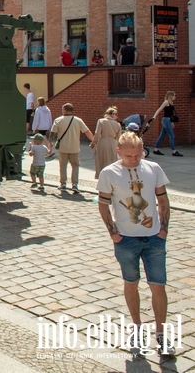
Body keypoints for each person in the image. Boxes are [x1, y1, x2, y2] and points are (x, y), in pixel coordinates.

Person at [96, 132, 175, 357]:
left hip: (153, 238)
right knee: (131, 283)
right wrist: (114, 234)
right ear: (119, 151)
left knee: (158, 285)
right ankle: (137, 328)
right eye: (129, 155)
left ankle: (161, 333)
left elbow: (163, 199)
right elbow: (103, 205)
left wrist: (164, 230)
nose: (134, 159)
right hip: (126, 239)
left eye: (138, 154)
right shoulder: (109, 173)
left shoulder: (154, 168)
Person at [49, 103, 94, 193]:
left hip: (63, 147)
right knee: (75, 166)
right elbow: (87, 131)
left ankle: (63, 184)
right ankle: (74, 184)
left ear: (64, 110)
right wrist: (93, 140)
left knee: (63, 166)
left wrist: (50, 143)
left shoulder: (58, 120)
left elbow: (52, 133)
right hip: (74, 147)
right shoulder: (78, 120)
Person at [90, 107, 121, 178]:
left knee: (101, 159)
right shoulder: (118, 124)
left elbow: (97, 134)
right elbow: (119, 138)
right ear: (113, 114)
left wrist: (93, 143)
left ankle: (101, 175)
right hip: (113, 143)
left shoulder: (101, 121)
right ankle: (111, 176)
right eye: (116, 114)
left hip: (102, 141)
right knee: (112, 159)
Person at [151, 91, 182, 156]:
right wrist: (154, 116)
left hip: (169, 120)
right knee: (172, 136)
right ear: (170, 96)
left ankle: (156, 149)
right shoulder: (166, 102)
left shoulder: (171, 102)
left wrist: (172, 122)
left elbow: (171, 114)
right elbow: (159, 109)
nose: (175, 97)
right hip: (166, 120)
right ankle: (174, 151)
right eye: (174, 95)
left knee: (162, 136)